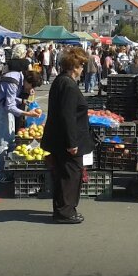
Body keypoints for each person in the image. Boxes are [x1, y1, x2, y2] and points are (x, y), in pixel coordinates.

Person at [42, 48, 93, 224]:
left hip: (59, 138)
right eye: (81, 66)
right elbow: (68, 115)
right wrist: (72, 143)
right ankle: (65, 212)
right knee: (70, 176)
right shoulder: (68, 85)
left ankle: (65, 209)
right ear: (74, 66)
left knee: (65, 175)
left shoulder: (61, 81)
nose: (82, 70)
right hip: (67, 141)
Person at [0, 70, 43, 184]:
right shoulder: (13, 82)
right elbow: (10, 105)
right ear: (27, 81)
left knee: (10, 141)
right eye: (31, 86)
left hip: (5, 109)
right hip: (2, 110)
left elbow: (11, 97)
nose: (30, 89)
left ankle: (5, 172)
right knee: (3, 143)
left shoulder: (17, 79)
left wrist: (24, 101)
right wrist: (28, 114)